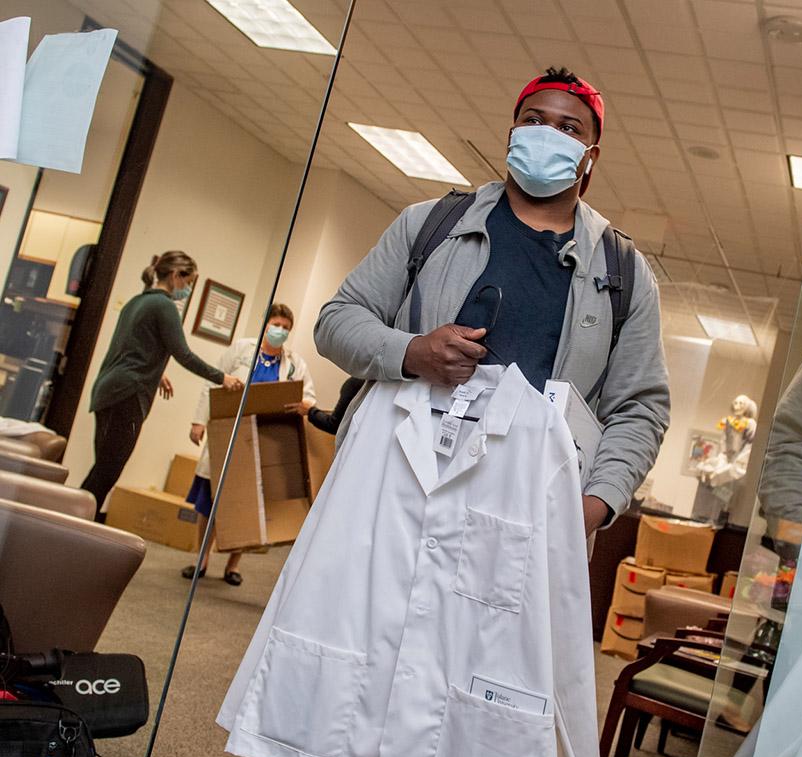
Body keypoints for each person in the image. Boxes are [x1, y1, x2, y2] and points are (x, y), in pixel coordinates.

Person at [314, 66, 670, 535]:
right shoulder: (429, 225)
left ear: (590, 157)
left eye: (568, 129)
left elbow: (641, 407)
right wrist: (412, 352)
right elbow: (336, 322)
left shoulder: (623, 271)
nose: (547, 135)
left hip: (525, 507)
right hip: (395, 479)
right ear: (511, 135)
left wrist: (596, 502)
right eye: (533, 120)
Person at [82, 251, 243, 522]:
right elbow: (184, 354)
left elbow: (130, 348)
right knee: (107, 472)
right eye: (188, 282)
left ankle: (77, 524)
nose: (188, 289)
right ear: (175, 275)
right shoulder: (164, 305)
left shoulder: (138, 301)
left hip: (110, 389)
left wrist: (157, 372)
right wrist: (222, 378)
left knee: (103, 468)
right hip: (127, 394)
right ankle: (72, 523)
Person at [181, 303, 316, 586]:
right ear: (266, 324)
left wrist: (306, 404)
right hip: (229, 430)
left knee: (249, 501)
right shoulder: (242, 350)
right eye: (276, 325)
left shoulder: (293, 363)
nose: (280, 331)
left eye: (286, 328)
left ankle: (233, 564)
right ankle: (201, 559)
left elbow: (309, 395)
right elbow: (212, 384)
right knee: (211, 497)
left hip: (265, 436)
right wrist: (197, 421)